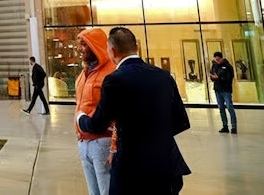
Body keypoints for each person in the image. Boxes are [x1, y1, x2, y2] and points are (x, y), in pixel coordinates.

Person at [77, 26, 190, 194]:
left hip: (131, 167)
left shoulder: (114, 80)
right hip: (166, 164)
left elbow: (98, 123)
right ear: (136, 48)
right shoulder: (164, 76)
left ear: (112, 51)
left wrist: (81, 119)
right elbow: (181, 121)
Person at [74, 28, 116, 195]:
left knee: (106, 190)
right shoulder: (84, 74)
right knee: (94, 192)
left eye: (84, 44)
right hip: (84, 141)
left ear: (95, 46)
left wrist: (113, 145)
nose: (79, 48)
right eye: (79, 44)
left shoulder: (111, 73)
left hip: (102, 142)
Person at [209, 51, 236, 134]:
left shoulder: (228, 66)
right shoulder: (214, 66)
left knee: (229, 107)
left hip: (226, 90)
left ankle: (234, 126)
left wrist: (219, 78)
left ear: (221, 58)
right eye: (215, 59)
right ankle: (225, 126)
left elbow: (229, 78)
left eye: (218, 59)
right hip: (218, 89)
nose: (217, 61)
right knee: (221, 108)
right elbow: (212, 75)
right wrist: (213, 78)